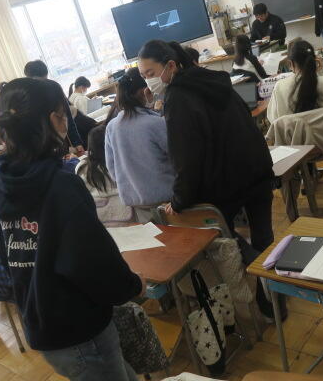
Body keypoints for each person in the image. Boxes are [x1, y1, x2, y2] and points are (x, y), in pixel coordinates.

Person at [0, 77, 143, 381]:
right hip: (79, 328)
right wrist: (132, 286)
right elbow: (92, 261)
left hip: (40, 321)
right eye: (65, 114)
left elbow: (8, 256)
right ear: (54, 120)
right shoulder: (61, 184)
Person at [137, 39, 282, 318]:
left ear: (170, 65)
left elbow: (186, 158)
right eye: (143, 76)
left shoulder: (178, 98)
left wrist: (179, 201)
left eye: (151, 73)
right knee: (263, 236)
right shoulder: (214, 80)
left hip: (225, 183)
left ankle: (258, 287)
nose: (148, 82)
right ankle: (275, 302)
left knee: (223, 239)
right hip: (256, 168)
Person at [105, 67, 175, 223]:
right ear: (146, 91)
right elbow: (178, 158)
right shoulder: (155, 123)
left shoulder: (112, 127)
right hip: (169, 203)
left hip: (136, 205)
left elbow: (112, 169)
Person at [267, 40, 323, 122]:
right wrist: (321, 71)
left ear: (291, 63)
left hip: (292, 130)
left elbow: (272, 118)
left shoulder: (279, 87)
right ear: (314, 60)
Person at [76, 125, 132, 223]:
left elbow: (83, 193)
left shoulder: (83, 167)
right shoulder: (121, 161)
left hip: (98, 217)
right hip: (127, 212)